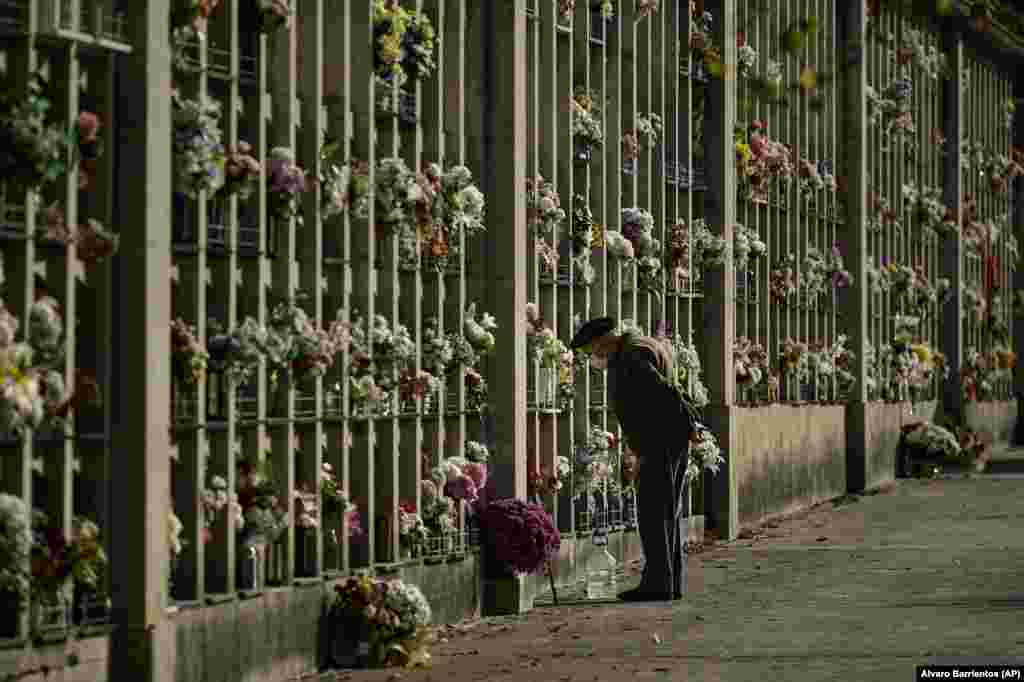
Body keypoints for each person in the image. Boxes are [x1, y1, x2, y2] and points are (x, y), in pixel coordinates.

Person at [569, 316, 698, 602]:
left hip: (660, 439)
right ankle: (668, 582)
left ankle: (658, 584)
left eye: (592, 351)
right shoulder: (641, 345)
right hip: (667, 437)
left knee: (653, 513)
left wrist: (690, 424)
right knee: (667, 512)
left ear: (603, 342)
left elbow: (664, 391)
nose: (594, 358)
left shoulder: (631, 356)